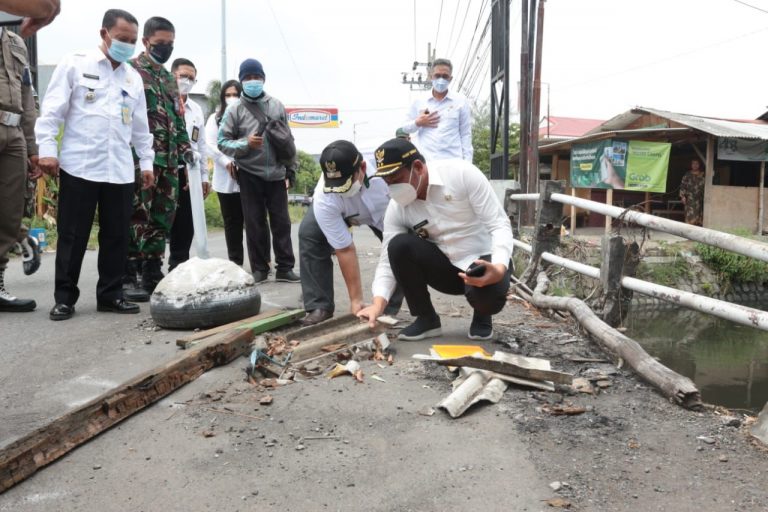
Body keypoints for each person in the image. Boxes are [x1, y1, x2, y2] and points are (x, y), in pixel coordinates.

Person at [35, 9, 154, 320]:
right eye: (121, 39)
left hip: (119, 169)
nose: (127, 46)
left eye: (131, 41)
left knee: (116, 235)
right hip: (80, 165)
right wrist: (47, 148)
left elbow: (141, 127)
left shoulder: (132, 77)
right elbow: (52, 110)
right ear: (104, 34)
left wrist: (147, 163)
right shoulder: (76, 63)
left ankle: (111, 295)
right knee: (73, 234)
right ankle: (65, 298)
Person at [357, 138, 513, 341]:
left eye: (396, 179)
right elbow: (387, 260)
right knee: (398, 246)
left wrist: (499, 268)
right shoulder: (398, 208)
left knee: (487, 299)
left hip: (484, 264)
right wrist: (378, 304)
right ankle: (426, 319)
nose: (392, 188)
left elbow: (499, 224)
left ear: (418, 167)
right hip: (446, 270)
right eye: (387, 183)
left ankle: (483, 317)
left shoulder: (461, 174)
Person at [298, 140, 403, 326]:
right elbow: (345, 248)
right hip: (342, 212)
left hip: (385, 215)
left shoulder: (386, 172)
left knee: (401, 246)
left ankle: (387, 307)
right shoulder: (325, 196)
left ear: (362, 168)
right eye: (336, 186)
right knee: (309, 233)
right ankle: (319, 305)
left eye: (346, 184)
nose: (341, 191)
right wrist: (356, 300)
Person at [123, 16, 190, 301]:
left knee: (163, 216)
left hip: (170, 160)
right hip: (141, 158)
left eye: (170, 44)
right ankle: (127, 274)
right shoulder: (130, 70)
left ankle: (151, 271)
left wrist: (186, 153)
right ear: (146, 41)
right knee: (137, 215)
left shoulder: (167, 78)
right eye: (161, 43)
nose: (166, 48)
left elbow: (179, 118)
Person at [218, 58, 299, 283]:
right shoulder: (234, 109)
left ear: (263, 79)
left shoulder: (277, 105)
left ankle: (285, 267)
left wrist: (290, 170)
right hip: (249, 173)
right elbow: (222, 142)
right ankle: (260, 269)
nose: (253, 81)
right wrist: (245, 143)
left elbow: (288, 140)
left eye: (257, 77)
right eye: (248, 78)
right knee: (254, 222)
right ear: (242, 80)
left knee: (281, 222)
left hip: (276, 173)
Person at [0, 16, 39, 313]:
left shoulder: (15, 43)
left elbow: (28, 97)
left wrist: (33, 148)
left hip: (14, 135)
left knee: (10, 212)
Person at [167, 57, 210, 271]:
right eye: (183, 76)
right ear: (172, 74)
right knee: (158, 221)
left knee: (185, 222)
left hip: (189, 172)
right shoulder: (161, 102)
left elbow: (200, 145)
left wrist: (204, 177)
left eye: (191, 78)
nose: (187, 80)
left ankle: (178, 265)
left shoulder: (196, 109)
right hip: (164, 169)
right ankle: (145, 270)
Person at [400, 58, 472, 163]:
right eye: (437, 76)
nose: (441, 79)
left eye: (445, 76)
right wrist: (418, 122)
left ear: (450, 79)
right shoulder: (419, 101)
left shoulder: (461, 101)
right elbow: (405, 128)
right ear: (430, 77)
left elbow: (465, 134)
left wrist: (467, 163)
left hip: (454, 162)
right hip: (427, 163)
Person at [205, 79, 245, 265]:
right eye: (227, 95)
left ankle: (261, 263)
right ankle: (235, 262)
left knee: (255, 221)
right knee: (232, 223)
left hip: (248, 175)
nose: (232, 98)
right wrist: (226, 162)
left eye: (235, 94)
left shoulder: (249, 115)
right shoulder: (215, 118)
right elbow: (210, 144)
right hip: (224, 179)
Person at [680, 159, 704, 226]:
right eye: (693, 164)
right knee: (690, 214)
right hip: (689, 198)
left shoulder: (702, 175)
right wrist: (683, 196)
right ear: (691, 165)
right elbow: (683, 185)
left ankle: (698, 227)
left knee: (699, 214)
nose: (695, 165)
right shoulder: (687, 174)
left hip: (700, 199)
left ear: (699, 165)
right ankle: (689, 227)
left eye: (697, 164)